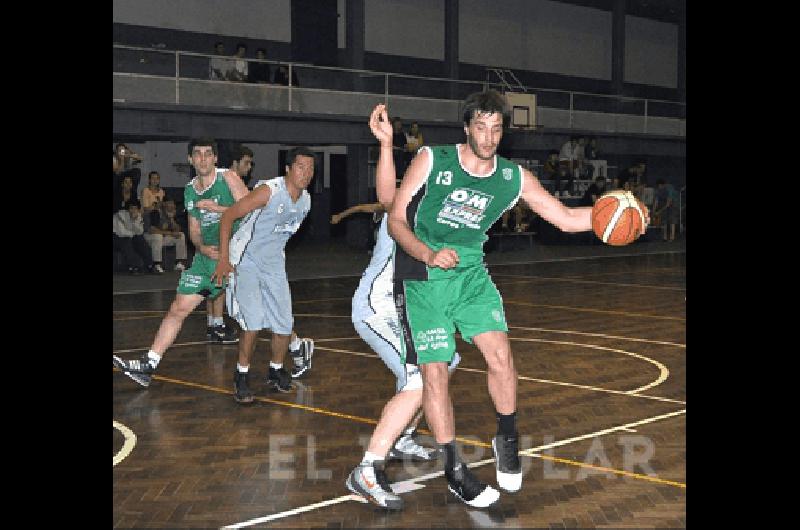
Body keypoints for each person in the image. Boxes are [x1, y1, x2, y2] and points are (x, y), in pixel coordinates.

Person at [387, 90, 646, 508]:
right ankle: (454, 469)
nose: (489, 137)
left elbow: (564, 218)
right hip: (423, 274)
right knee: (435, 374)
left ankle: (506, 436)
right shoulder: (433, 160)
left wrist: (623, 214)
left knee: (502, 356)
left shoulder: (513, 178)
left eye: (496, 129)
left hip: (471, 274)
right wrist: (428, 253)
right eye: (481, 127)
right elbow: (396, 220)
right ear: (467, 128)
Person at [337, 105, 461, 510]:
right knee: (419, 379)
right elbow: (388, 196)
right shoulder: (407, 208)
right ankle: (368, 470)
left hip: (408, 308)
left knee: (447, 360)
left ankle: (403, 435)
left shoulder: (446, 217)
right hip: (377, 307)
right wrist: (387, 144)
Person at [113, 138, 249, 387]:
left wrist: (217, 208)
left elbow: (249, 208)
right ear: (190, 159)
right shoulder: (189, 190)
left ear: (215, 158)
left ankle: (295, 346)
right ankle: (149, 364)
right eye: (198, 154)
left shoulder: (227, 177)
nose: (203, 159)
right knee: (178, 307)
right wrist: (201, 247)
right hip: (208, 258)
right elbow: (194, 231)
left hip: (239, 253)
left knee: (257, 313)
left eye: (208, 154)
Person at [211, 147, 317, 402]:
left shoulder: (306, 201)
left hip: (273, 264)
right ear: (288, 169)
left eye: (311, 168)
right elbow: (228, 217)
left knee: (284, 322)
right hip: (246, 261)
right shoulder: (270, 191)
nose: (307, 173)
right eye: (301, 167)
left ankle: (276, 369)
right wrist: (224, 259)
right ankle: (242, 375)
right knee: (253, 323)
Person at [143, 198, 188, 273]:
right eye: (169, 203)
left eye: (173, 204)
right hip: (148, 236)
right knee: (158, 236)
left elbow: (177, 229)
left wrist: (172, 220)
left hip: (161, 238)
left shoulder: (170, 214)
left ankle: (178, 263)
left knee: (181, 235)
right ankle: (156, 264)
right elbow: (153, 230)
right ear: (164, 204)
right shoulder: (156, 212)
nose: (172, 206)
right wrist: (170, 233)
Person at [113, 199, 157, 274]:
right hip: (116, 238)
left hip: (130, 237)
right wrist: (133, 232)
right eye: (131, 208)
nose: (133, 210)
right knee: (126, 241)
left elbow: (140, 231)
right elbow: (121, 233)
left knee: (140, 239)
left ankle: (150, 266)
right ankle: (132, 267)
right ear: (127, 209)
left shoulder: (138, 216)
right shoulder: (119, 215)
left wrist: (134, 221)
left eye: (135, 208)